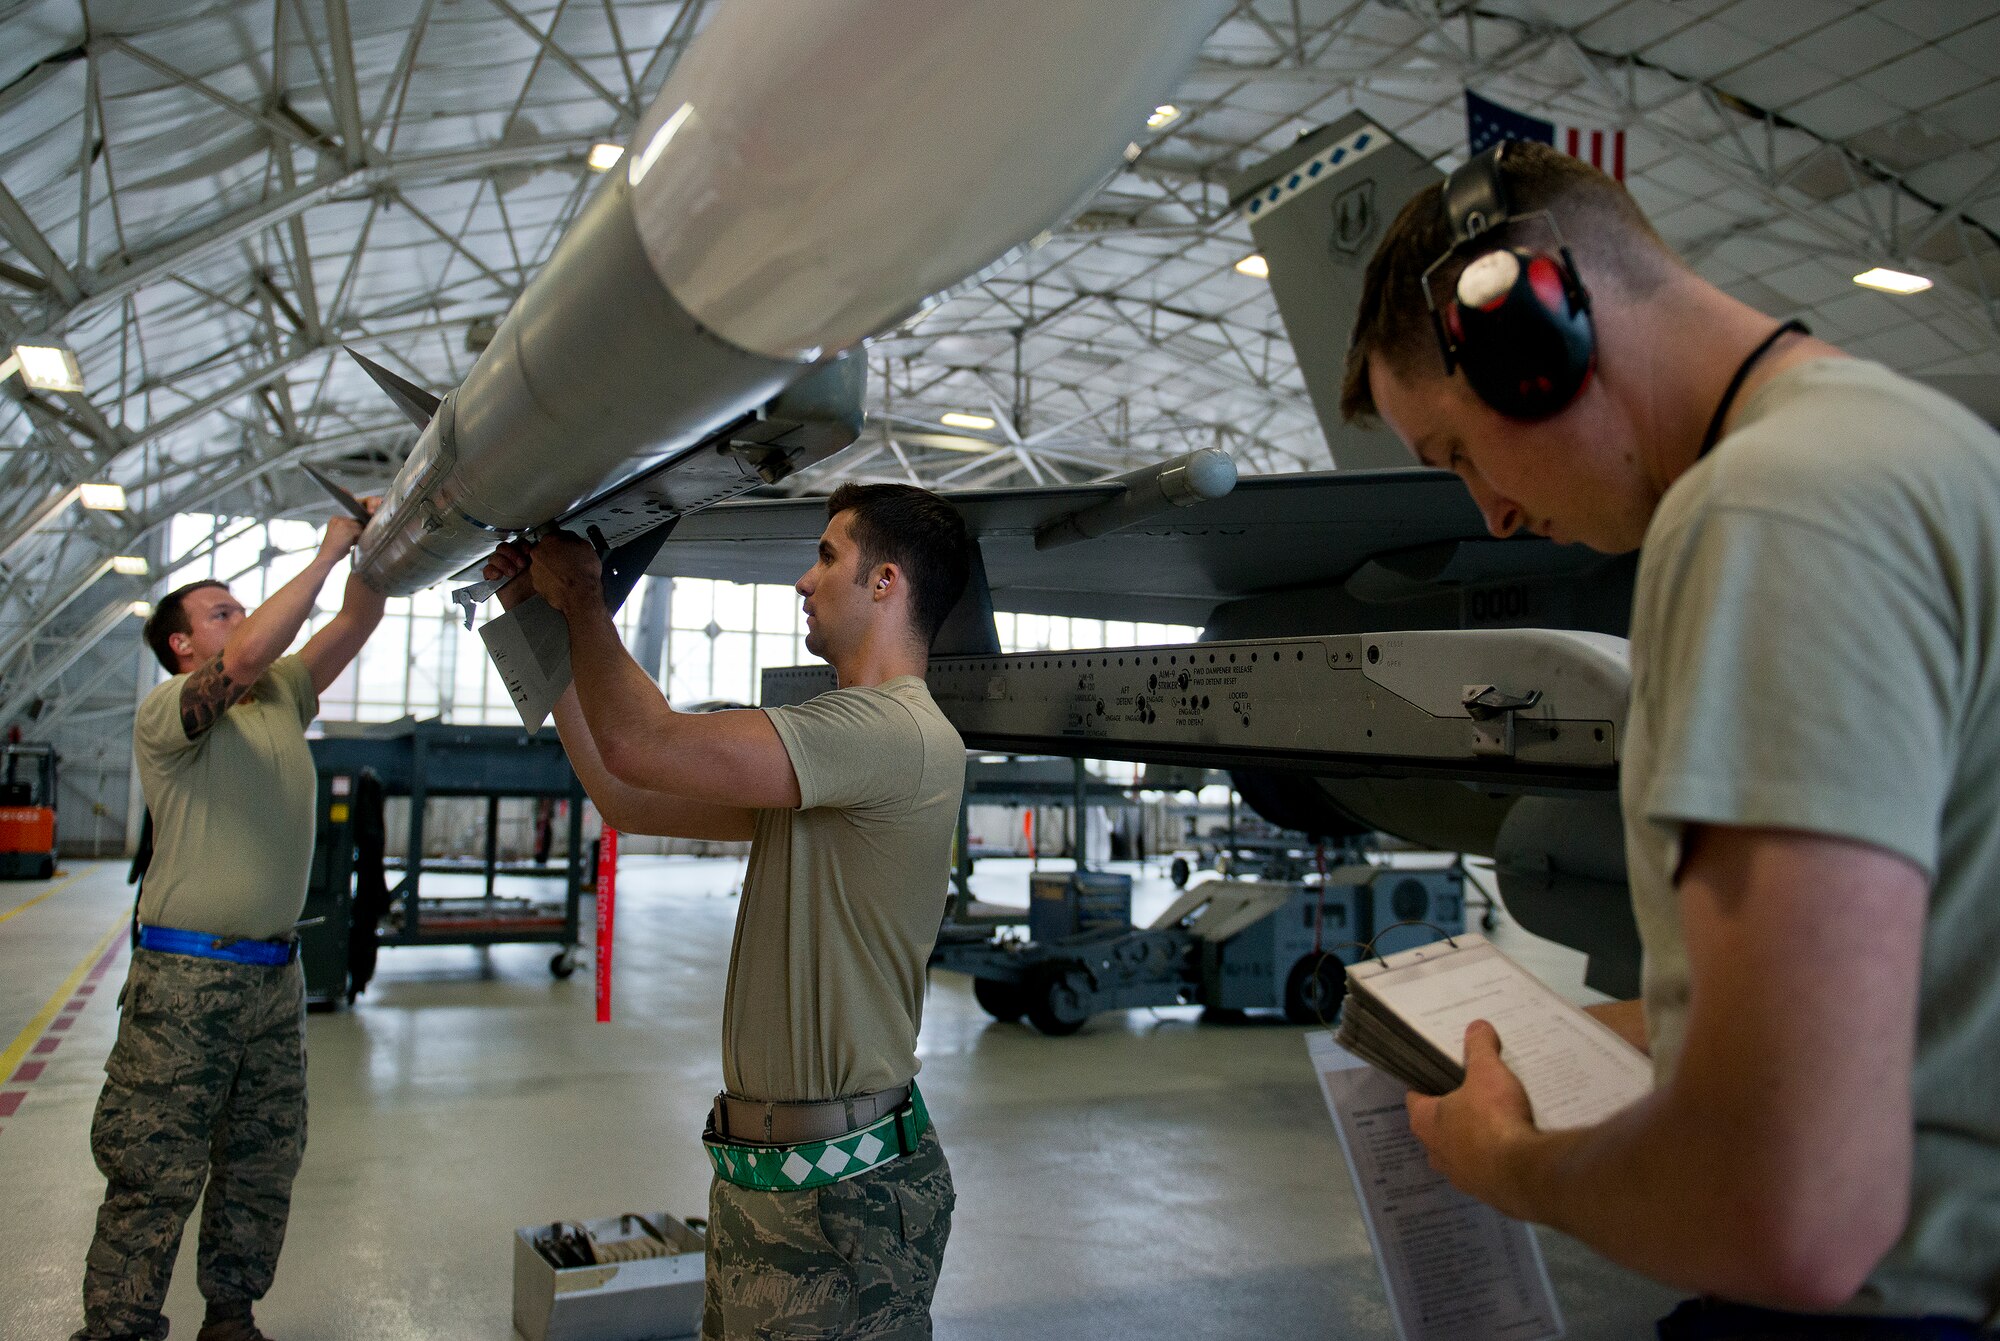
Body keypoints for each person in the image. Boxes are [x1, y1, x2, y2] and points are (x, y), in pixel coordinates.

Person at [1342, 138, 2000, 1337]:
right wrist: (1618, 1035)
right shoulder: (1928, 456)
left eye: (1454, 451)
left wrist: (1508, 1167)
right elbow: (1929, 989)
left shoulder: (1764, 509)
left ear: (1529, 349)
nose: (1487, 513)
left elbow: (1788, 1219)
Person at [483, 481, 973, 1340]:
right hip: (774, 1187)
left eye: (827, 557)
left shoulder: (891, 731)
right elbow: (625, 790)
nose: (803, 580)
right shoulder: (838, 755)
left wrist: (586, 597)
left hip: (840, 1204)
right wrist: (543, 618)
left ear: (887, 583)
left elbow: (647, 740)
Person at [77, 506, 386, 1341]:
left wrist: (380, 541)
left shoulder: (281, 691)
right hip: (186, 981)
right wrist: (325, 553)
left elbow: (360, 614)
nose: (243, 620)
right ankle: (120, 1326)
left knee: (261, 1158)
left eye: (241, 607)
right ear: (182, 645)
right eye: (221, 612)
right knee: (155, 1164)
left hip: (272, 977)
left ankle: (232, 1314)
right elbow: (248, 655)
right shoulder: (171, 710)